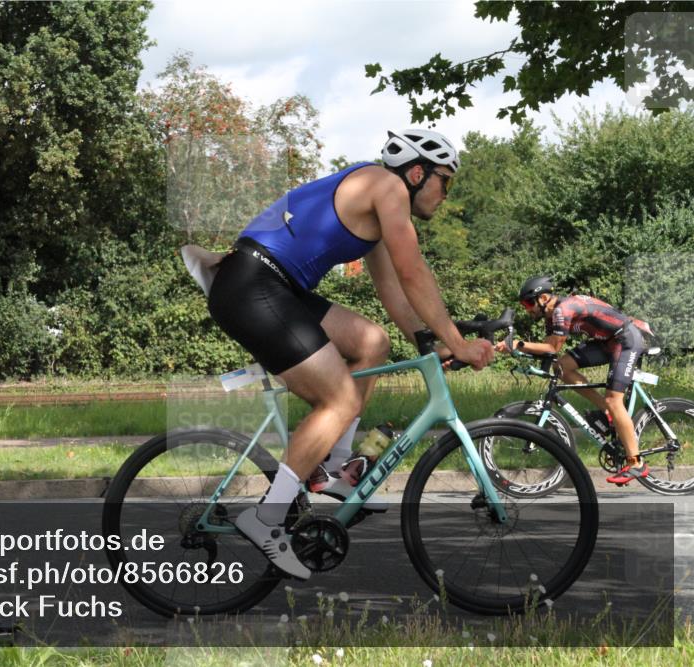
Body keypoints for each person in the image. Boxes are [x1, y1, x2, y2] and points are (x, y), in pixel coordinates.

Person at [205, 129, 494, 579]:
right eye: (445, 181)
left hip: (273, 287)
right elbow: (414, 272)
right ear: (418, 173)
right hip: (254, 286)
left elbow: (393, 289)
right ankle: (265, 518)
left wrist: (427, 343)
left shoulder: (378, 201)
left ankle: (331, 468)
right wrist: (458, 342)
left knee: (371, 343)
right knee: (338, 400)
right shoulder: (387, 187)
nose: (445, 194)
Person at [494, 276, 652, 485]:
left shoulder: (563, 310)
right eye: (524, 305)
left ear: (543, 298)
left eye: (528, 303)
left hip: (626, 339)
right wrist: (517, 349)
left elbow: (551, 348)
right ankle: (607, 412)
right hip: (606, 341)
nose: (527, 309)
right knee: (561, 367)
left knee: (615, 400)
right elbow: (549, 351)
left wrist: (517, 344)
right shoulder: (552, 316)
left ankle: (636, 463)